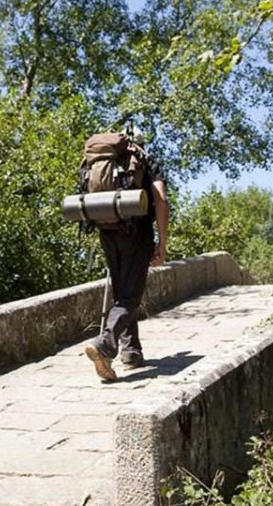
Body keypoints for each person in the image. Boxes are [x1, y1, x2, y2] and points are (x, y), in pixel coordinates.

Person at [84, 126, 169, 381]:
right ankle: (105, 344)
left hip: (107, 230)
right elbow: (161, 199)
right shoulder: (146, 160)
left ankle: (131, 352)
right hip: (136, 234)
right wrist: (162, 242)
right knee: (132, 295)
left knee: (122, 292)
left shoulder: (100, 161)